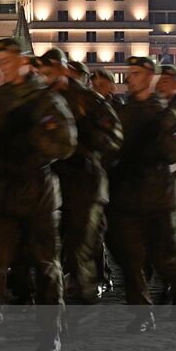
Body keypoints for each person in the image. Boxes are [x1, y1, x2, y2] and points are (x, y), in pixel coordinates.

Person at [0, 38, 76, 351]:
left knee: (45, 265)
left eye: (6, 60)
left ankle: (49, 331)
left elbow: (65, 144)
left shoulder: (43, 100)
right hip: (0, 191)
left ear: (22, 62)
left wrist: (33, 140)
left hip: (37, 190)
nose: (0, 67)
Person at [106, 56, 176, 331]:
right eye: (129, 73)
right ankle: (142, 314)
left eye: (135, 73)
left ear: (150, 77)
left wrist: (163, 150)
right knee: (131, 259)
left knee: (168, 257)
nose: (131, 78)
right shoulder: (121, 113)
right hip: (127, 197)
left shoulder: (164, 114)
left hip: (159, 197)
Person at [40, 48, 122, 306]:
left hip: (85, 180)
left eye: (50, 70)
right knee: (52, 244)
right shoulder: (42, 99)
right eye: (42, 71)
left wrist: (84, 147)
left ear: (63, 69)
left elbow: (113, 138)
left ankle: (86, 288)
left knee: (81, 241)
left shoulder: (88, 99)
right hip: (53, 180)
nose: (45, 76)